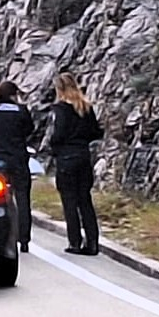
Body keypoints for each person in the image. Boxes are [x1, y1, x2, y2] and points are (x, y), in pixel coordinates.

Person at [48, 72, 105, 255]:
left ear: (60, 89)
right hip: (83, 156)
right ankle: (92, 243)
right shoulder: (86, 106)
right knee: (85, 200)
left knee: (69, 201)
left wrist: (54, 148)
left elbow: (58, 134)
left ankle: (75, 242)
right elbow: (96, 132)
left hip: (66, 158)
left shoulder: (60, 109)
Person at [0, 80, 34, 253]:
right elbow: (29, 130)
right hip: (18, 158)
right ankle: (24, 239)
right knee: (23, 197)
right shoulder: (21, 111)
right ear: (14, 95)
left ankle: (2, 236)